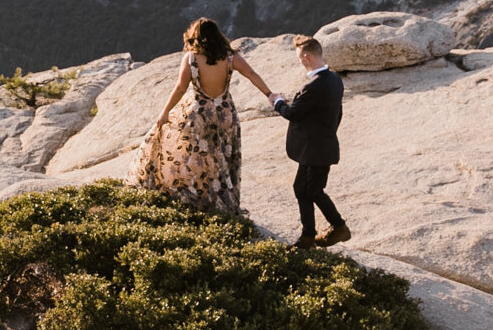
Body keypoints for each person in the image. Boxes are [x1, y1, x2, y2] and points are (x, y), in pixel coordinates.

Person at [136, 17, 276, 216]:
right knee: (223, 156)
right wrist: (269, 94)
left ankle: (197, 197)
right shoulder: (230, 57)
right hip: (225, 114)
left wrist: (165, 111)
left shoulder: (192, 58)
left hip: (200, 114)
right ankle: (223, 199)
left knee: (197, 157)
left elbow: (180, 88)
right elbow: (252, 74)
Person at [270, 34, 349, 247]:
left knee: (313, 190)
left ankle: (338, 227)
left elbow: (292, 114)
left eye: (299, 59)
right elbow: (332, 111)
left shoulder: (313, 86)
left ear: (306, 57)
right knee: (301, 188)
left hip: (316, 149)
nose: (300, 63)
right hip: (320, 146)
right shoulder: (334, 79)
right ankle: (308, 236)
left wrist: (277, 102)